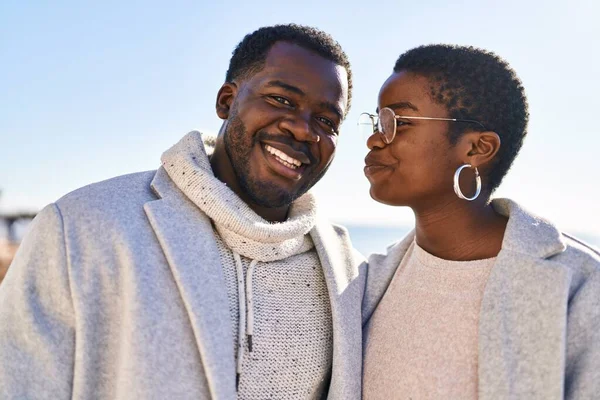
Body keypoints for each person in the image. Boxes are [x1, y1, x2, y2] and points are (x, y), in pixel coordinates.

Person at [0, 24, 367, 400]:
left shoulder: (348, 274)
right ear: (227, 100)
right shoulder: (80, 227)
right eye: (282, 100)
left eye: (326, 121)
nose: (303, 130)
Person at [360, 44, 600, 399]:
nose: (374, 139)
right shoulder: (366, 282)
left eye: (399, 122)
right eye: (378, 121)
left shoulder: (582, 286)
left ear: (477, 148)